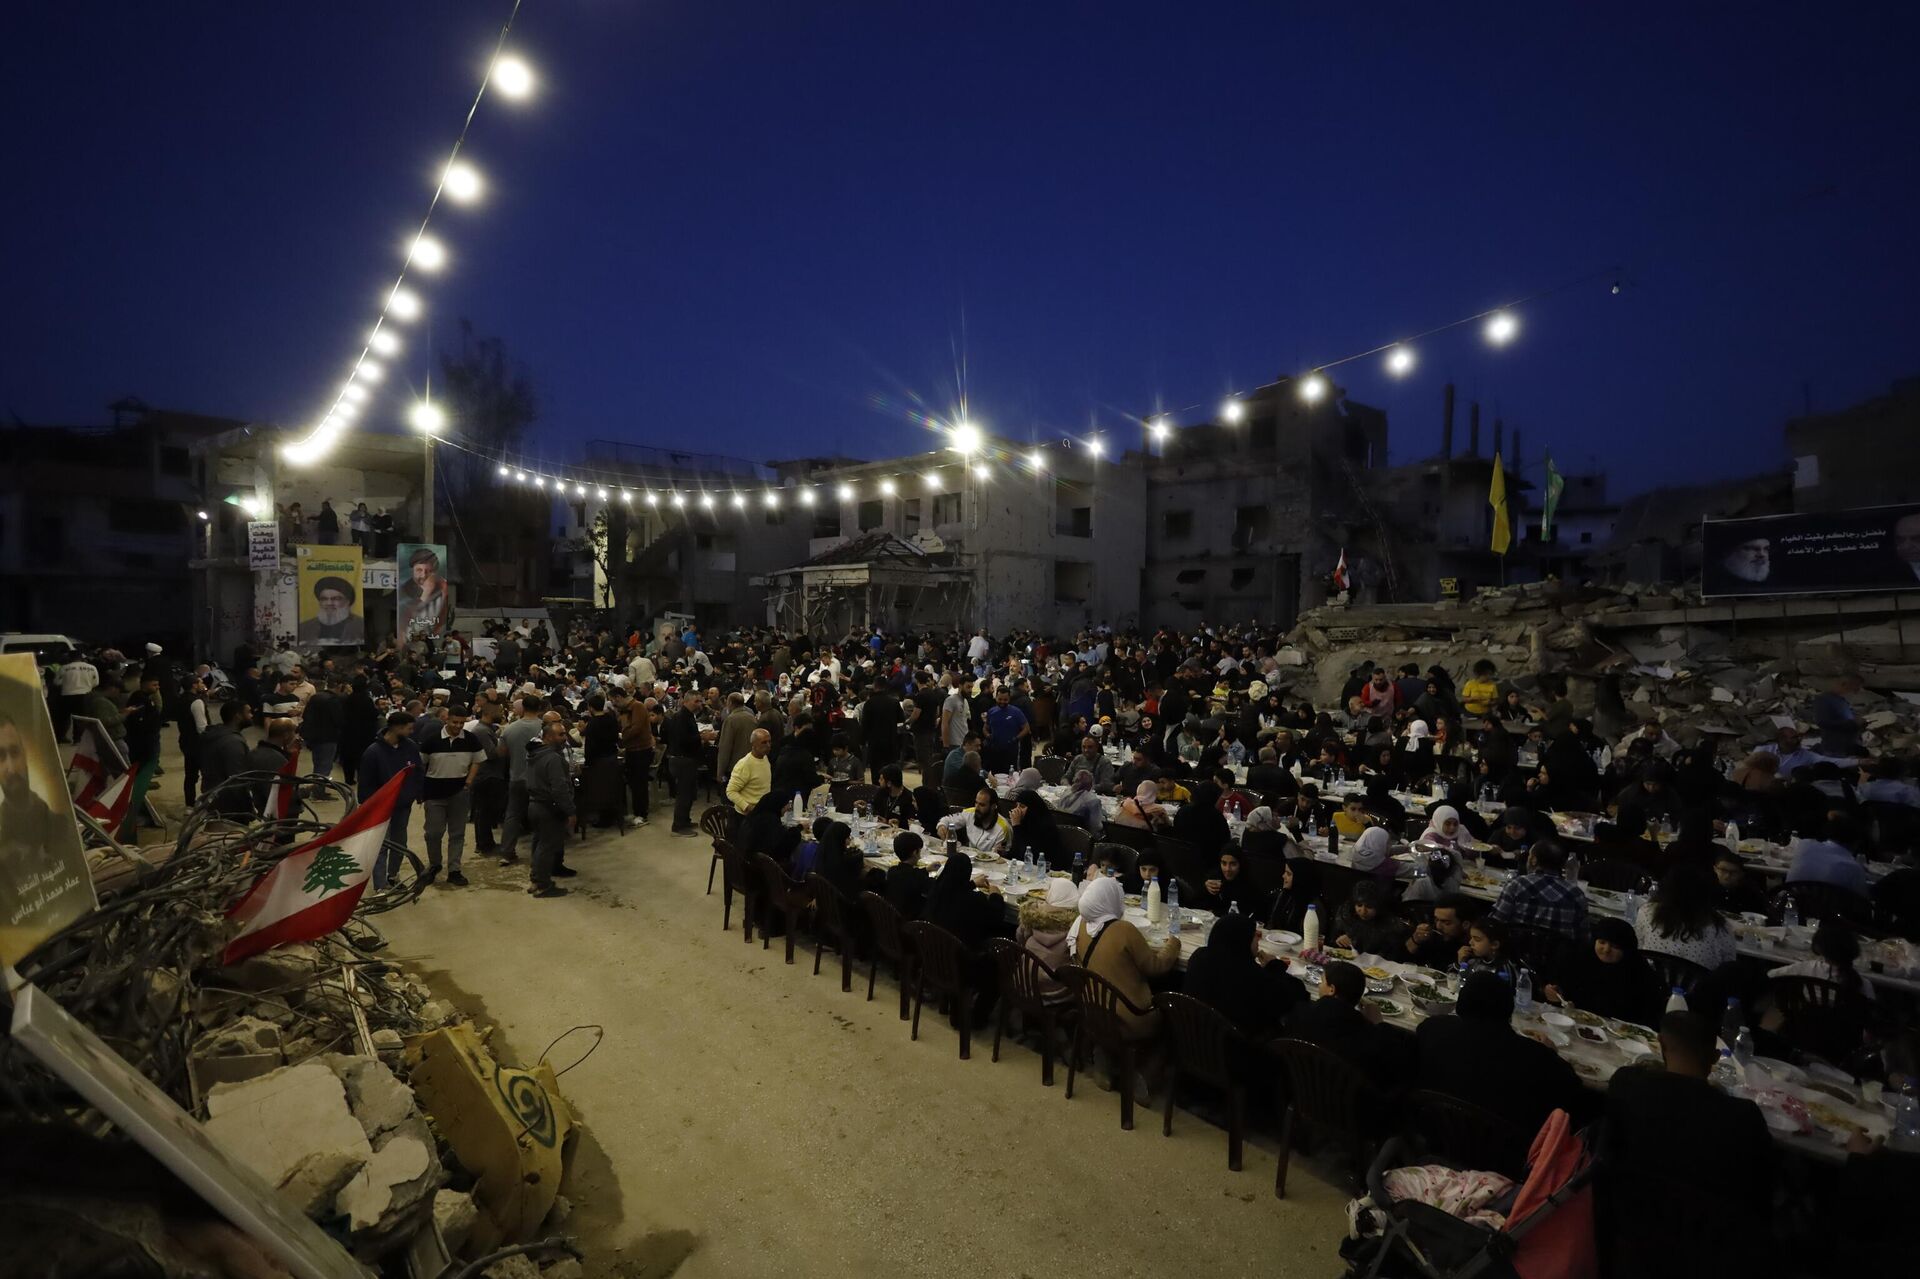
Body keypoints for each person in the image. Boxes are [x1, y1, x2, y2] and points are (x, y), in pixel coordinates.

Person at [1602, 1011, 1774, 1205]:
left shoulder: (1626, 1084)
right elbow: (1761, 1192)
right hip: (1709, 1229)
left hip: (1627, 1212)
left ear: (1661, 1043)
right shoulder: (1744, 1117)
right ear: (1716, 1057)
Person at [1414, 972, 1588, 1133]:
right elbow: (1575, 1098)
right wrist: (1552, 1053)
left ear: (1461, 1003)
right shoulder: (1536, 1057)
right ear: (1508, 1009)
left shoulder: (1431, 1029)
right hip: (1507, 1158)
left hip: (1436, 1136)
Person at [1070, 875, 1179, 1044]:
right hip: (1128, 1018)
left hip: (1092, 1011)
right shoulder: (1124, 930)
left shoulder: (1080, 925)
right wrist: (1174, 943)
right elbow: (1155, 967)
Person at [1182, 912, 1307, 1039]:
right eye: (1254, 936)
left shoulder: (1198, 957)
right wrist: (1274, 965)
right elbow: (1297, 994)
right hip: (1236, 1052)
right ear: (1243, 941)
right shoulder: (1251, 976)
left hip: (1193, 1043)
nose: (1258, 940)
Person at [1283, 961, 1403, 1090]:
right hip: (1346, 1104)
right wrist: (1379, 1024)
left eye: (1322, 982)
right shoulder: (1368, 1034)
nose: (1319, 986)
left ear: (1331, 990)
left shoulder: (1300, 1013)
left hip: (1302, 1093)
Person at [1543, 918, 1665, 1026]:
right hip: (1574, 1024)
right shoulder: (1579, 958)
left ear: (1626, 950)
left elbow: (1647, 1016)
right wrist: (1554, 993)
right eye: (1602, 942)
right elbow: (1561, 992)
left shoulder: (1639, 974)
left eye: (1615, 946)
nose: (1606, 950)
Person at [420, 703, 485, 886]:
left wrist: (469, 781)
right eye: (455, 722)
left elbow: (478, 760)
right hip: (434, 794)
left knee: (457, 834)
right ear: (446, 719)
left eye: (461, 723)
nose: (458, 726)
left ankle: (454, 869)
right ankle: (434, 865)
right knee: (433, 833)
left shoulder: (471, 739)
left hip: (459, 793)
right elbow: (421, 764)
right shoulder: (431, 740)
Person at [358, 711, 424, 890]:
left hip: (403, 806)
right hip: (381, 807)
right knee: (381, 845)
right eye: (409, 728)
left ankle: (393, 876)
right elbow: (365, 782)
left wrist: (417, 792)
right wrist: (367, 805)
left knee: (399, 843)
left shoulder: (410, 746)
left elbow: (417, 770)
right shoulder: (373, 752)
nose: (412, 732)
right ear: (397, 728)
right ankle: (380, 884)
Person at [1634, 862, 1736, 970]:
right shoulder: (1720, 928)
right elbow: (1728, 971)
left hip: (1653, 983)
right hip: (1699, 985)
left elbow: (1638, 950)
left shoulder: (1647, 913)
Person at [1488, 838, 1589, 940]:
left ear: (1533, 860)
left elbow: (1495, 923)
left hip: (1516, 951)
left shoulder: (1517, 885)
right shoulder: (1576, 893)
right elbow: (1583, 936)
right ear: (1563, 864)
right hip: (1559, 954)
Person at [524, 718, 576, 898]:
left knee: (539, 844)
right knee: (546, 847)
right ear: (547, 737)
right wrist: (570, 811)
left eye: (564, 733)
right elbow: (559, 789)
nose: (564, 738)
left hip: (534, 804)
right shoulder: (552, 758)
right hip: (548, 808)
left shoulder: (534, 754)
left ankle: (536, 880)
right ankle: (544, 885)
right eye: (560, 734)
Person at [1766, 918, 1875, 1002]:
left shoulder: (1807, 968)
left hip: (1805, 1026)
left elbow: (1771, 975)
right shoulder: (1864, 985)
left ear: (1820, 949)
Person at [496, 696, 547, 862]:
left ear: (523, 708)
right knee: (542, 814)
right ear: (540, 708)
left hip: (517, 776)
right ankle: (540, 853)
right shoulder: (545, 728)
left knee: (512, 814)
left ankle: (507, 851)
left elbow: (501, 753)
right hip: (540, 779)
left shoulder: (510, 729)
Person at [1015, 876, 1080, 1001]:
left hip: (1024, 983)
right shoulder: (1075, 927)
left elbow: (1019, 939)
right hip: (1054, 991)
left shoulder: (1031, 916)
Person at [1785, 815, 1871, 899]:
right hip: (1832, 912)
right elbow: (1862, 901)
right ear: (1857, 842)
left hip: (1794, 909)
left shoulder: (1803, 847)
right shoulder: (1853, 868)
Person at [664, 690, 706, 836]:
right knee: (684, 794)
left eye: (700, 701)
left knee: (689, 793)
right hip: (682, 760)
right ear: (686, 701)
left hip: (687, 759)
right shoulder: (681, 717)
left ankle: (685, 820)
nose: (699, 704)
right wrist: (702, 737)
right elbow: (683, 740)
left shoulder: (688, 716)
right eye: (696, 701)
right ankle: (678, 826)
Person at [1334, 879, 1407, 954]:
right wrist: (1340, 939)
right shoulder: (1346, 914)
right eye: (1359, 905)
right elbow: (1334, 940)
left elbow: (1391, 952)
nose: (1363, 911)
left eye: (1369, 906)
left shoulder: (1389, 923)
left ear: (1377, 907)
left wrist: (1354, 938)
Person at [397, 546, 452, 639]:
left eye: (428, 571)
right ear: (412, 570)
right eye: (419, 570)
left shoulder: (441, 588)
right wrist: (424, 595)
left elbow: (442, 619)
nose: (423, 575)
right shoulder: (404, 590)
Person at [1405, 894, 1473, 968]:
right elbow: (1403, 961)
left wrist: (1461, 964)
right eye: (1436, 919)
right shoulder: (1436, 936)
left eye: (1446, 923)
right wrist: (1415, 940)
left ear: (1465, 925)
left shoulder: (1473, 947)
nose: (1438, 926)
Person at [937, 788, 1011, 854]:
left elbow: (1002, 854)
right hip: (969, 856)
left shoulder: (1003, 827)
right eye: (976, 803)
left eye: (982, 805)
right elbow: (947, 820)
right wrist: (942, 826)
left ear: (993, 806)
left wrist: (1001, 852)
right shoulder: (970, 813)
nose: (977, 807)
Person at [1199, 847, 1268, 917]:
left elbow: (1242, 913)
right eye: (1224, 863)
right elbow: (1196, 903)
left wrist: (1214, 912)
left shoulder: (1249, 885)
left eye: (1233, 864)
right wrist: (1205, 889)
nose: (1227, 869)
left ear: (1240, 865)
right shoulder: (1215, 877)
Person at [1006, 788, 1063, 869]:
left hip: (1046, 870)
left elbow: (1028, 856)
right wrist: (1003, 853)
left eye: (1022, 806)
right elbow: (1016, 853)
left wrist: (1016, 826)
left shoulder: (1045, 827)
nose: (1017, 810)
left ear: (1032, 808)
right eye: (1017, 805)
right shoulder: (1024, 823)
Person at [725, 729, 773, 817]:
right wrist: (748, 807)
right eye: (764, 742)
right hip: (746, 817)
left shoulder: (765, 758)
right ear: (753, 744)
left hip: (763, 813)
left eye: (769, 742)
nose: (768, 745)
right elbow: (731, 791)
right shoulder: (744, 764)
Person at [1267, 857, 1322, 933]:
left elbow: (1311, 936)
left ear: (1300, 877)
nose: (1283, 876)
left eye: (1288, 874)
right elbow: (1272, 923)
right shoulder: (1284, 895)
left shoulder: (1313, 906)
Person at [298, 576, 359, 643]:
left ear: (347, 602)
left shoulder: (360, 626)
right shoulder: (304, 628)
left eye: (336, 599)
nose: (329, 603)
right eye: (324, 599)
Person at [884, 830, 931, 916]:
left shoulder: (892, 871)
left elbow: (909, 873)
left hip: (892, 917)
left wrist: (926, 869)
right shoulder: (917, 877)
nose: (920, 856)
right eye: (919, 852)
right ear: (915, 852)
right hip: (910, 923)